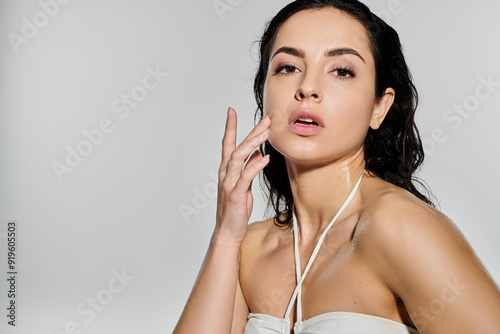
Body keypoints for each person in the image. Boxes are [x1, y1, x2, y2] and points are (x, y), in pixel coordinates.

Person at [173, 0, 500, 333]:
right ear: (263, 92)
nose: (308, 89)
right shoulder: (251, 248)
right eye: (288, 67)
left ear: (379, 107)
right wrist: (225, 236)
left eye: (341, 71)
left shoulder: (397, 226)